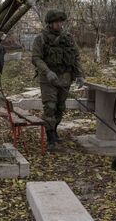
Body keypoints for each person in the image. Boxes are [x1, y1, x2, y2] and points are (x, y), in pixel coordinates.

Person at [31, 9, 84, 150]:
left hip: (65, 78)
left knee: (60, 108)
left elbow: (76, 57)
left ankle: (54, 130)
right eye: (57, 22)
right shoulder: (41, 38)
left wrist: (80, 75)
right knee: (50, 107)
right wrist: (47, 71)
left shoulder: (68, 38)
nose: (60, 24)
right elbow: (36, 58)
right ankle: (50, 139)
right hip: (48, 79)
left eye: (61, 22)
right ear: (50, 23)